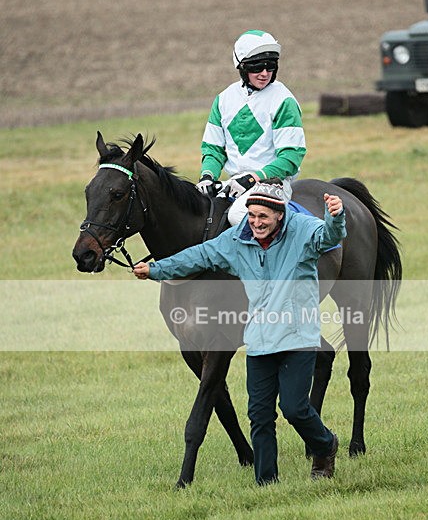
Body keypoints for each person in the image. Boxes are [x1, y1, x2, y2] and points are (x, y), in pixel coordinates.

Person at [133, 179, 346, 486]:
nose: (257, 223)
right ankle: (266, 483)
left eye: (264, 217)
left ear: (280, 216)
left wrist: (336, 217)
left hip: (298, 336)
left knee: (294, 408)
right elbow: (198, 256)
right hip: (259, 339)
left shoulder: (302, 230)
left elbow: (329, 237)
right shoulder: (236, 240)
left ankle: (325, 446)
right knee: (259, 416)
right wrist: (154, 270)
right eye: (252, 215)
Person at [197, 30, 307, 226]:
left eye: (270, 67)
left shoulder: (284, 100)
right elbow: (213, 149)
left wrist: (253, 178)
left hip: (273, 184)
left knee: (239, 214)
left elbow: (290, 158)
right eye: (257, 67)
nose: (265, 73)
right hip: (234, 183)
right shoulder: (224, 99)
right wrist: (207, 175)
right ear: (241, 67)